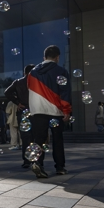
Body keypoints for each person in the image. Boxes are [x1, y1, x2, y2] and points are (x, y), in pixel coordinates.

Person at [27, 45, 72, 178]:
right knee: (57, 139)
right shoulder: (61, 71)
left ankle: (38, 164)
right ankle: (60, 167)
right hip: (55, 110)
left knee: (39, 139)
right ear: (57, 57)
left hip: (37, 110)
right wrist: (67, 110)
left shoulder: (32, 73)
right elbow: (65, 92)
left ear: (44, 57)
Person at [4, 64, 35, 168]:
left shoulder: (18, 82)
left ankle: (26, 161)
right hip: (35, 110)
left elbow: (7, 92)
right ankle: (36, 160)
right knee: (35, 136)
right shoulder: (37, 82)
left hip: (23, 110)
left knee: (25, 137)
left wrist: (17, 102)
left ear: (24, 72)